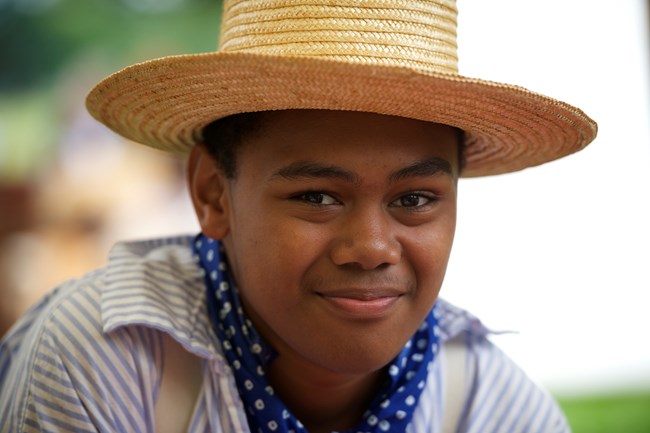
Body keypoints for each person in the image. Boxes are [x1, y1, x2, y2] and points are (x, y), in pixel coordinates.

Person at [0, 0, 597, 432]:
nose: (371, 247)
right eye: (316, 196)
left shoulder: (486, 402)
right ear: (213, 195)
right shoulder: (110, 360)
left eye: (414, 199)